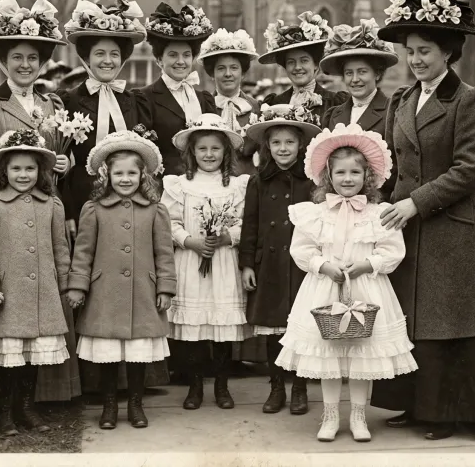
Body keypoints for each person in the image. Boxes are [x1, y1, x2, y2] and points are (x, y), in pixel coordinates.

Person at [370, 0, 475, 440]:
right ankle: (414, 405)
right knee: (413, 317)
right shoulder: (402, 99)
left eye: (425, 51)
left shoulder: (471, 100)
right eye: (410, 50)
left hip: (455, 226)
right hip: (410, 226)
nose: (415, 59)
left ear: (448, 52)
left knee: (450, 320)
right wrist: (378, 205)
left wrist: (415, 203)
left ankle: (450, 413)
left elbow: (470, 170)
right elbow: (395, 168)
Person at [276, 124, 417, 442]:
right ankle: (329, 415)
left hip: (366, 287)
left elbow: (393, 251)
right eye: (340, 173)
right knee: (328, 356)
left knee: (361, 357)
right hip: (325, 289)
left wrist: (368, 264)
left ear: (366, 177)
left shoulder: (378, 213)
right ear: (329, 176)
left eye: (355, 172)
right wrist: (323, 265)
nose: (348, 179)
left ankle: (357, 415)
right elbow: (301, 250)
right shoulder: (314, 213)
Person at [0, 0, 80, 404]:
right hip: (6, 217)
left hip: (47, 212)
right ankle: (2, 404)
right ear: (3, 60)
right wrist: (10, 179)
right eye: (16, 57)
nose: (24, 65)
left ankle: (36, 400)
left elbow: (59, 153)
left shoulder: (53, 103)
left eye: (32, 58)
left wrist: (62, 166)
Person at [67, 130, 176, 430]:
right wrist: (78, 285)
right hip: (105, 292)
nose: (125, 179)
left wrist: (165, 286)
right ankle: (110, 405)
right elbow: (83, 251)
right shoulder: (94, 209)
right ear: (107, 175)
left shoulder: (155, 210)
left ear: (143, 175)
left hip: (144, 290)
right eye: (119, 174)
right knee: (109, 355)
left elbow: (164, 252)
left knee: (139, 354)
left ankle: (136, 404)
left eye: (132, 173)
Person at [0, 129, 72, 436]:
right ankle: (3, 412)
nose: (23, 174)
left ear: (41, 171)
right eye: (16, 168)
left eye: (30, 168)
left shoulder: (52, 205)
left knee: (33, 356)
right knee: (8, 357)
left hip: (42, 293)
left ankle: (26, 408)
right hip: (7, 294)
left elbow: (60, 247)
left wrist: (66, 284)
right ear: (4, 171)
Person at [161, 114, 250, 410]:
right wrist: (190, 241)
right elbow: (168, 222)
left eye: (215, 148)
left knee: (221, 329)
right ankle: (195, 385)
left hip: (224, 261)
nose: (209, 155)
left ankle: (222, 386)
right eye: (202, 149)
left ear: (226, 151)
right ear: (192, 152)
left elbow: (246, 222)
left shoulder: (237, 186)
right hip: (191, 261)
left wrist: (227, 237)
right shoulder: (178, 185)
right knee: (195, 329)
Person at [237, 103, 321, 415]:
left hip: (302, 266)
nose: (283, 148)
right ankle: (276, 386)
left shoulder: (312, 181)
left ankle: (299, 387)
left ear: (300, 145)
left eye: (289, 142)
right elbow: (250, 224)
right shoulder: (258, 181)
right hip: (269, 263)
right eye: (276, 143)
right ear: (267, 147)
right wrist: (247, 263)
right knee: (273, 327)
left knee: (299, 326)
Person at [56, 0, 153, 229]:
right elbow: (60, 166)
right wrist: (68, 211)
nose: (107, 61)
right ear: (87, 57)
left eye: (114, 54)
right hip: (82, 200)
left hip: (128, 200)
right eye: (100, 54)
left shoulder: (135, 101)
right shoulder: (68, 100)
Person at [138, 2, 219, 176]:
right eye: (173, 55)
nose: (181, 61)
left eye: (187, 55)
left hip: (204, 183)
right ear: (159, 60)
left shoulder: (205, 99)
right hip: (164, 186)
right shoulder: (144, 98)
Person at [259, 11, 349, 122]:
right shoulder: (275, 102)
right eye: (291, 62)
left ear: (316, 64)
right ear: (285, 67)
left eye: (304, 61)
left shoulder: (335, 102)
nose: (297, 67)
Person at [318, 19, 397, 136]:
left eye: (362, 72)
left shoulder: (393, 112)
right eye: (349, 73)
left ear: (377, 73)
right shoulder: (333, 114)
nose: (355, 79)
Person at [199, 28, 261, 175]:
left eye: (234, 68)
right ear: (212, 73)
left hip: (248, 183)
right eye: (221, 68)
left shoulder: (256, 107)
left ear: (243, 73)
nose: (228, 74)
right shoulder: (203, 106)